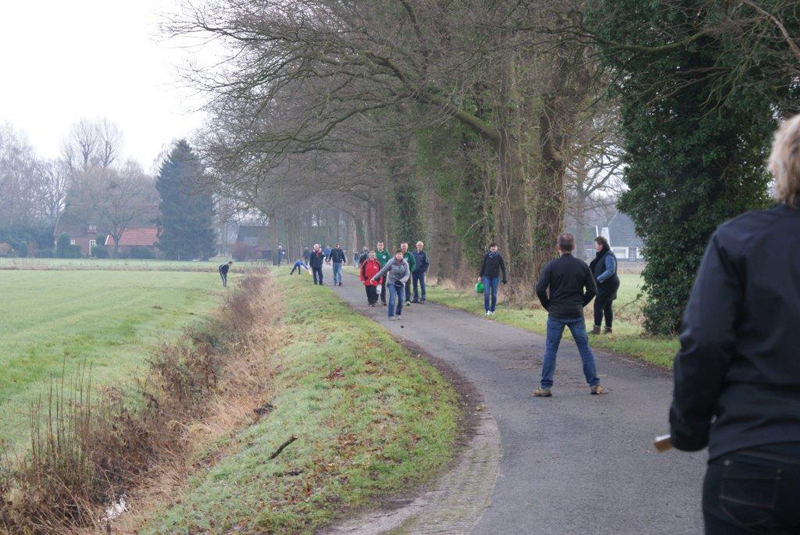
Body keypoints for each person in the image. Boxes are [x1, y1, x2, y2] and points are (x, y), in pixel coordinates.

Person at [669, 115, 800, 534]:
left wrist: (688, 428)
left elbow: (704, 342)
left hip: (755, 459)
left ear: (778, 168)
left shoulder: (739, 241)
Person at [533, 233, 603, 397]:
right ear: (573, 247)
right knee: (584, 349)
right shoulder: (582, 266)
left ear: (558, 247)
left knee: (551, 350)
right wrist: (581, 303)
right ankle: (594, 384)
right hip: (575, 313)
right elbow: (593, 290)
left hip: (556, 313)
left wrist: (548, 305)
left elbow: (540, 289)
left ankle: (545, 387)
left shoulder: (551, 266)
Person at [589, 236, 620, 334]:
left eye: (596, 245)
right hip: (606, 284)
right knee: (607, 306)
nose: (595, 247)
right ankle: (608, 329)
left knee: (598, 304)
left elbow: (611, 270)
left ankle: (597, 328)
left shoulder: (608, 256)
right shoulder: (602, 255)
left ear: (601, 245)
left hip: (609, 285)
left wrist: (598, 279)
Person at [372, 250, 410, 320]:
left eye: (401, 254)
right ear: (395, 255)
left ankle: (398, 314)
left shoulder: (405, 263)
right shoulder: (391, 262)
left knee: (401, 300)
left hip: (401, 283)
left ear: (402, 255)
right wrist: (374, 278)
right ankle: (391, 315)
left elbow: (407, 275)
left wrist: (401, 281)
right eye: (398, 254)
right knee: (392, 298)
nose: (399, 255)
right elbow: (383, 270)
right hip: (392, 282)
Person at [477, 242, 507, 316]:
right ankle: (487, 310)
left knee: (494, 294)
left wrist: (504, 277)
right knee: (486, 293)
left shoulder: (499, 257)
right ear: (490, 248)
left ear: (497, 248)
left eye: (495, 247)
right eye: (492, 247)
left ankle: (492, 309)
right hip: (486, 277)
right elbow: (483, 266)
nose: (493, 248)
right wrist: (480, 276)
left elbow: (503, 268)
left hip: (495, 277)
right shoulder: (486, 256)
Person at [375, 241, 390, 306]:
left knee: (383, 286)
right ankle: (375, 300)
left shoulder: (386, 254)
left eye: (381, 245)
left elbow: (389, 262)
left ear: (383, 246)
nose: (380, 246)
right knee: (375, 286)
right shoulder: (375, 253)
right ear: (377, 246)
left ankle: (383, 300)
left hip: (383, 272)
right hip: (375, 273)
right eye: (379, 245)